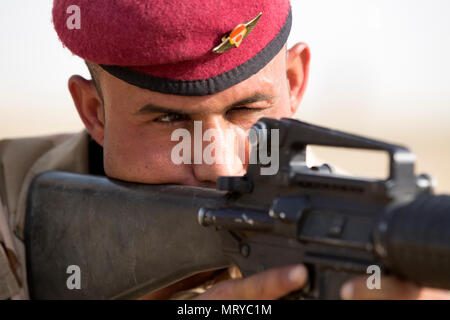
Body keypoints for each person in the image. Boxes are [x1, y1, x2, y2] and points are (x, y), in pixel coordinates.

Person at [0, 0, 448, 300]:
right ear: (94, 112)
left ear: (293, 83)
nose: (218, 164)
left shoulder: (351, 227)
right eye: (169, 120)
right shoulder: (10, 212)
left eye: (247, 110)